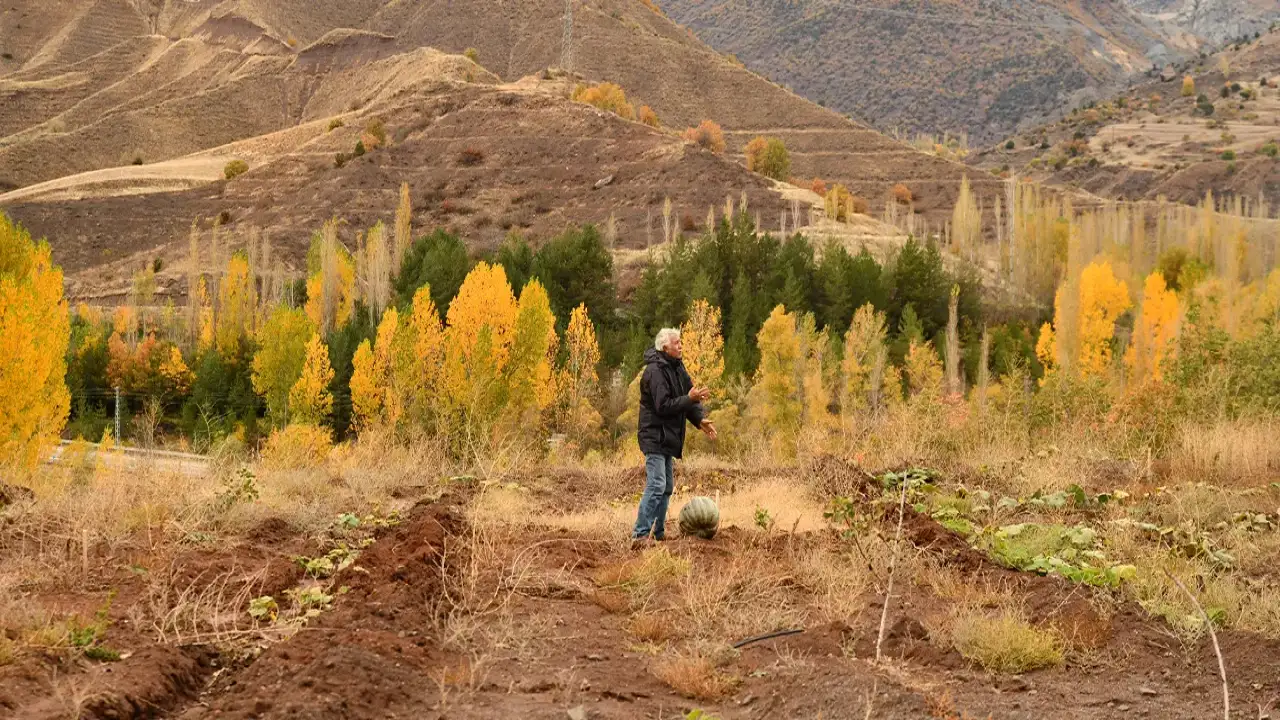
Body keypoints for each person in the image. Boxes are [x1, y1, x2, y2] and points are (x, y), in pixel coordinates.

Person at [632, 327, 717, 548]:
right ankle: (640, 534)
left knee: (667, 486)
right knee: (657, 484)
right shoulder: (655, 371)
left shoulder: (678, 367)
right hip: (654, 436)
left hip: (667, 437)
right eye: (676, 343)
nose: (681, 346)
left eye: (680, 342)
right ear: (665, 347)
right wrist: (689, 398)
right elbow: (663, 405)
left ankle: (657, 533)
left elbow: (689, 398)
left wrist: (699, 420)